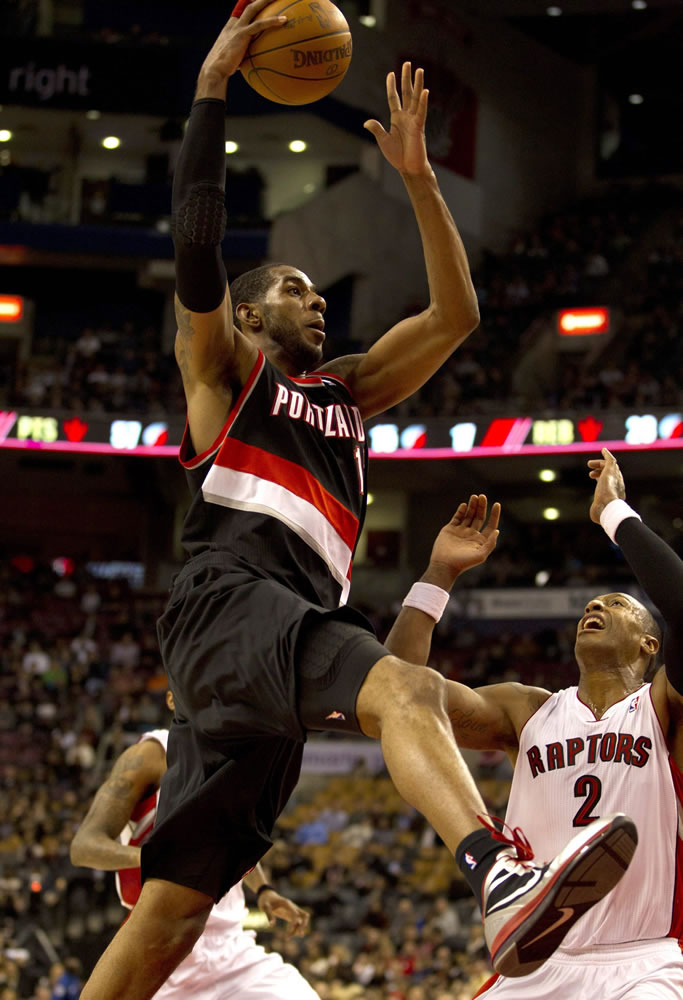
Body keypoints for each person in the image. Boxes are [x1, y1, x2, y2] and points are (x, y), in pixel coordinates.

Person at [78, 3, 635, 995]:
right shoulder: (226, 377)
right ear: (250, 317)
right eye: (295, 288)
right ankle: (494, 872)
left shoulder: (347, 394)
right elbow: (198, 250)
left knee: (171, 912)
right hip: (231, 598)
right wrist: (211, 89)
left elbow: (455, 315)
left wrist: (420, 183)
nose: (316, 298)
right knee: (407, 691)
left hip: (261, 646)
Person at [384, 451, 683, 998]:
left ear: (651, 643)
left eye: (615, 603)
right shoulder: (527, 710)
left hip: (641, 961)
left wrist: (614, 513)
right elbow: (400, 689)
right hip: (534, 962)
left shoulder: (665, 707)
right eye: (590, 603)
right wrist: (439, 574)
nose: (595, 605)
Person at [70, 693, 319, 999]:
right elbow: (84, 846)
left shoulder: (231, 756)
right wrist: (165, 863)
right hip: (161, 945)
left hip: (232, 949)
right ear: (173, 699)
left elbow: (228, 843)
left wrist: (264, 889)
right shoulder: (149, 755)